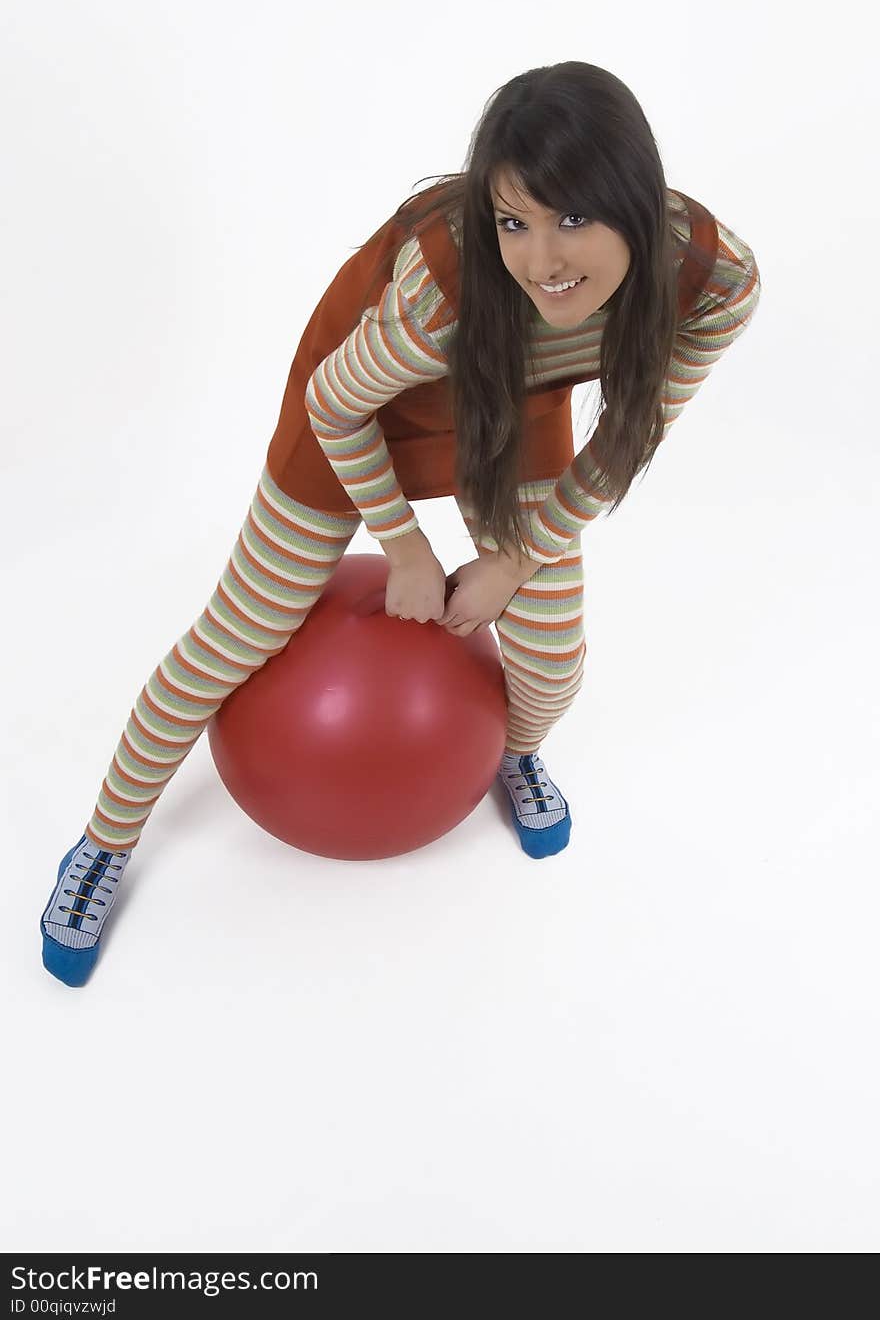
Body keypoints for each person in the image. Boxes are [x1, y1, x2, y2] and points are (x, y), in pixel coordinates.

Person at [40, 60, 762, 986]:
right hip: (361, 402)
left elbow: (628, 436)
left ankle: (518, 756)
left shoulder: (716, 279)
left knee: (552, 653)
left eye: (574, 217)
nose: (544, 260)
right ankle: (101, 845)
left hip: (512, 397)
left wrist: (513, 558)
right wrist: (407, 547)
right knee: (239, 633)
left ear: (636, 198)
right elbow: (335, 401)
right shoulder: (440, 290)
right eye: (515, 221)